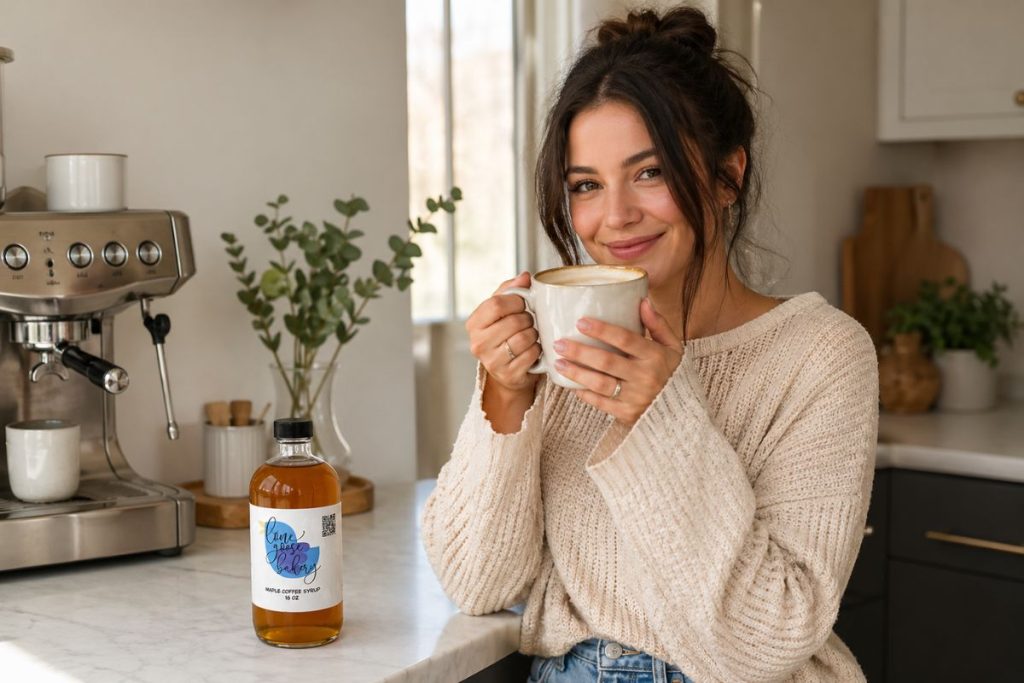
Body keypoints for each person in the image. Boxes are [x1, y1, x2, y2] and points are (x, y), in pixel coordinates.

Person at [421, 5, 878, 682]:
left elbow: (771, 638)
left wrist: (659, 416)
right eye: (586, 186)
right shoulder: (558, 351)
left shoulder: (820, 355)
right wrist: (506, 394)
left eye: (651, 172)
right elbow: (477, 581)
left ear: (729, 176)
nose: (614, 216)